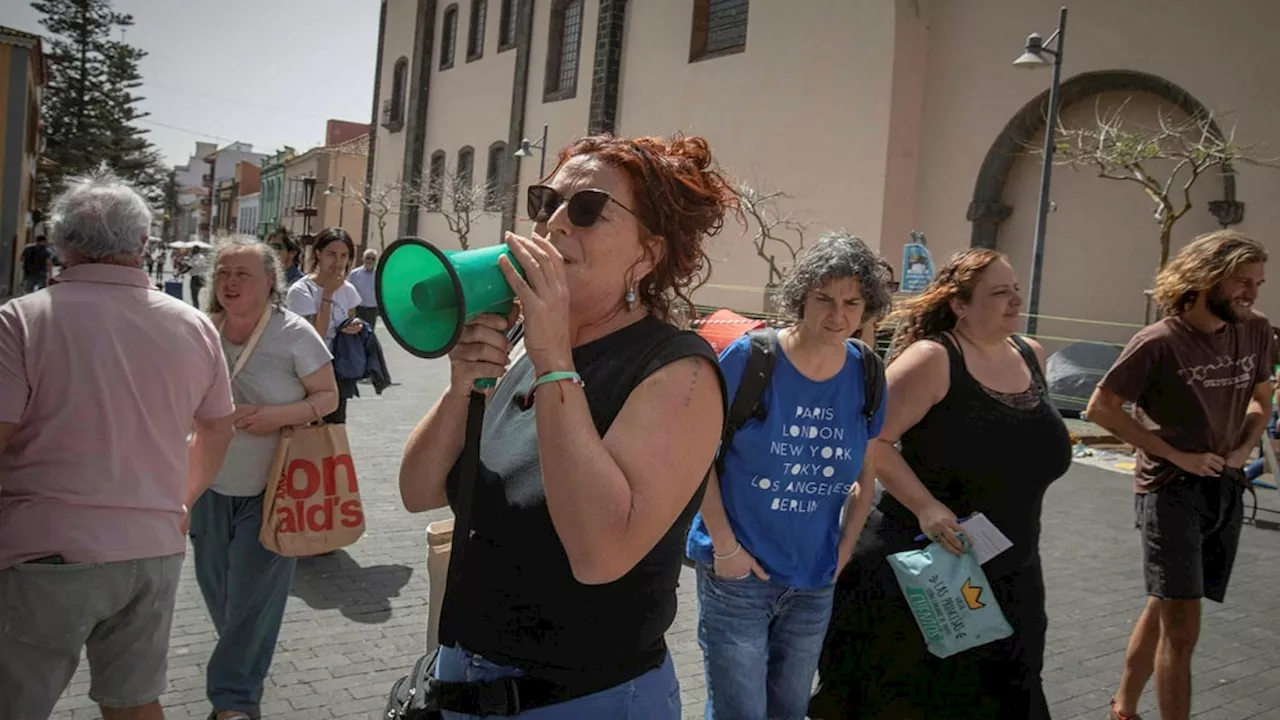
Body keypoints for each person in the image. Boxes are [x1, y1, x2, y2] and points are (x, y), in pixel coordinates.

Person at [398, 134, 736, 719]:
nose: (555, 222)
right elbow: (418, 490)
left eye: (587, 209)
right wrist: (461, 389)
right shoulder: (522, 349)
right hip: (463, 682)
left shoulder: (676, 372)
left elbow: (600, 555)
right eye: (545, 201)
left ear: (648, 253)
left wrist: (555, 357)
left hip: (587, 700)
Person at [0, 171, 237, 720]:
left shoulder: (22, 321)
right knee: (134, 705)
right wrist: (182, 499)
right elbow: (218, 427)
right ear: (143, 245)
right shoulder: (195, 325)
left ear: (61, 244)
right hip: (150, 548)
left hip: (43, 550)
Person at [809, 248, 1073, 720]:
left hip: (1012, 569)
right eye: (998, 293)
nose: (1015, 301)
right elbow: (871, 440)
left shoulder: (1031, 354)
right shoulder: (933, 360)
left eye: (1015, 290)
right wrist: (927, 506)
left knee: (1009, 692)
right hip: (925, 571)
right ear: (961, 305)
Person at [685, 232, 890, 720]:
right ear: (802, 296)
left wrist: (842, 553)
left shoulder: (867, 373)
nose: (836, 315)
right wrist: (727, 550)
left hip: (813, 580)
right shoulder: (751, 359)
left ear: (867, 310)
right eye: (823, 298)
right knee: (741, 712)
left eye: (851, 302)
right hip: (739, 576)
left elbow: (867, 475)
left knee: (789, 709)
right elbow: (692, 459)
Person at [1087, 230, 1272, 720]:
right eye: (1242, 282)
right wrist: (1173, 454)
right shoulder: (1158, 342)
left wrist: (1243, 449)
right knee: (1183, 625)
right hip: (1169, 493)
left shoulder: (1255, 329)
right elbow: (1101, 407)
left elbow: (1262, 398)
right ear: (1206, 278)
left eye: (1258, 283)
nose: (1252, 294)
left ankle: (1124, 706)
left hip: (1225, 487)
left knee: (1168, 603)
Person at [191, 236, 340, 720]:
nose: (229, 283)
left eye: (242, 274)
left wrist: (275, 415)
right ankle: (242, 671)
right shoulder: (202, 330)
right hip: (208, 486)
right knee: (223, 596)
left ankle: (234, 703)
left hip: (275, 489)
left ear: (270, 282)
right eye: (223, 273)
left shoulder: (294, 333)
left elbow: (328, 398)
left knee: (253, 601)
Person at [285, 227, 364, 424]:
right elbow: (314, 338)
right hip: (307, 372)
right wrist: (327, 295)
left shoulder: (348, 290)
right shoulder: (301, 291)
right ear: (318, 254)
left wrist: (354, 326)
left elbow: (352, 319)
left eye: (344, 256)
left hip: (337, 370)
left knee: (334, 430)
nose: (338, 262)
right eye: (331, 254)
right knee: (306, 429)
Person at [347, 248, 381, 329]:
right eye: (368, 258)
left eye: (373, 259)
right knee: (356, 332)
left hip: (372, 310)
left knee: (369, 333)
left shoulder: (379, 275)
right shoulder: (354, 274)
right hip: (357, 310)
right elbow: (348, 292)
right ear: (363, 259)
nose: (370, 260)